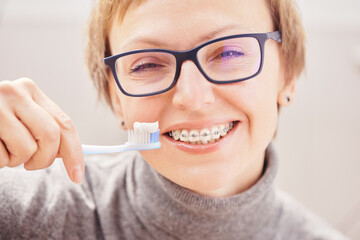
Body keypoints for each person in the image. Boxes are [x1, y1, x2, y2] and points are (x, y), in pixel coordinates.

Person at [0, 0, 349, 239]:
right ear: (116, 99)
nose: (193, 99)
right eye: (147, 64)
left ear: (286, 75)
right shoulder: (25, 212)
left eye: (228, 52)